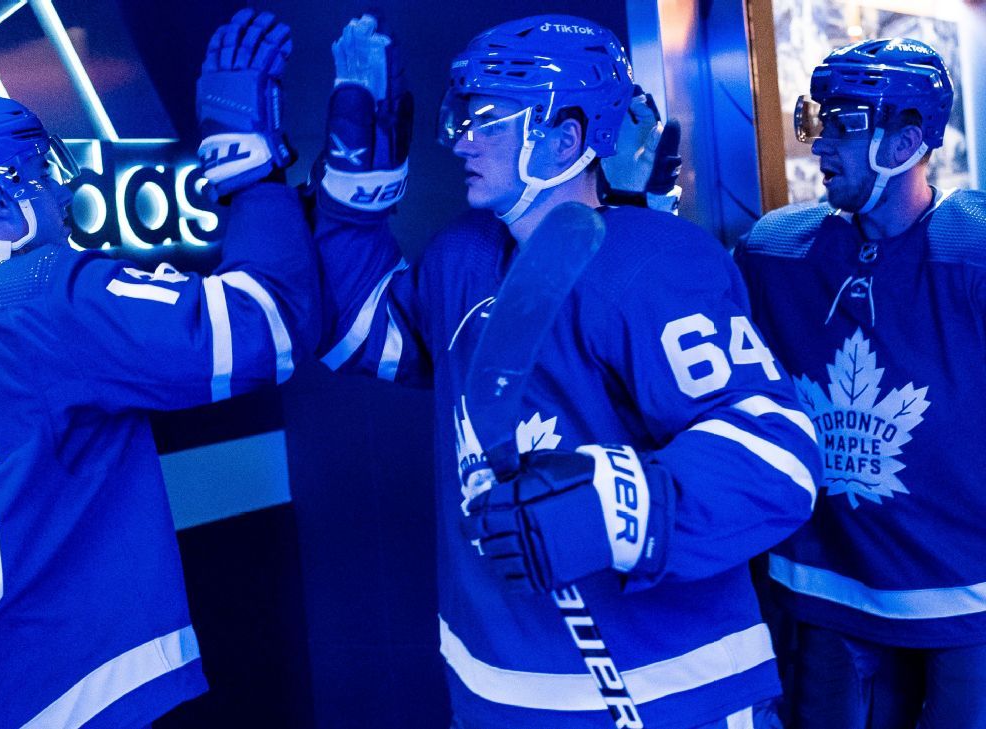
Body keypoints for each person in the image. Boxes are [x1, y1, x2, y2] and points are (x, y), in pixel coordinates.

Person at [0, 11, 314, 727]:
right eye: (42, 175)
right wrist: (251, 169)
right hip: (82, 700)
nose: (60, 192)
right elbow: (266, 331)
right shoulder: (49, 298)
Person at [309, 14, 821, 728]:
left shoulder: (653, 263)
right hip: (497, 690)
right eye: (459, 113)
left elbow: (780, 455)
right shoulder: (461, 256)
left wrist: (626, 506)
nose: (460, 138)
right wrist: (355, 182)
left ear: (564, 138)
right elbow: (358, 334)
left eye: (484, 115)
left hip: (666, 691)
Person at [738, 38, 986, 727]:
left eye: (844, 124)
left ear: (909, 140)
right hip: (828, 591)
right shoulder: (776, 249)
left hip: (967, 595)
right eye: (818, 121)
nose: (820, 144)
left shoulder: (974, 249)